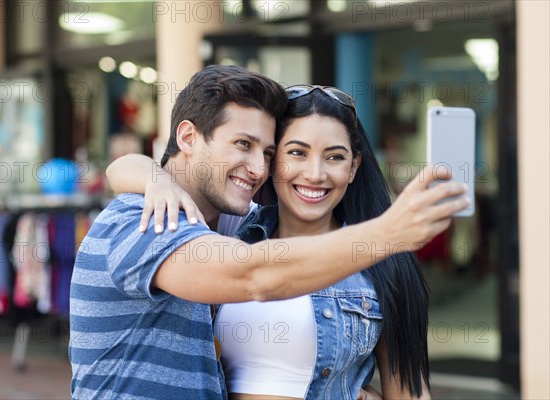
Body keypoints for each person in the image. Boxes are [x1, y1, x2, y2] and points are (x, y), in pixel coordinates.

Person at [71, 65, 468, 399]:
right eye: (243, 144)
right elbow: (254, 274)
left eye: (265, 152)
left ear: (355, 166)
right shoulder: (141, 218)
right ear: (188, 138)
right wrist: (388, 232)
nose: (258, 168)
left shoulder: (228, 224)